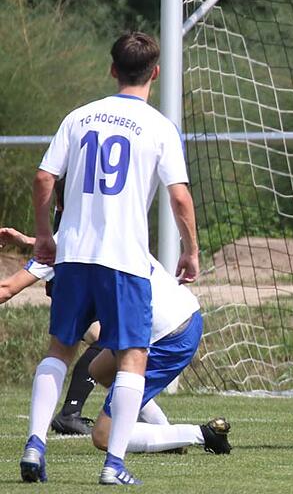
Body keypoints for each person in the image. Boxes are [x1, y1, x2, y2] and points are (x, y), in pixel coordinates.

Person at [21, 31, 200, 485]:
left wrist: (45, 235)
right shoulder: (159, 126)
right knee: (133, 356)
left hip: (76, 254)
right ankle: (114, 464)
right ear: (155, 73)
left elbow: (44, 179)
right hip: (125, 259)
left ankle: (35, 444)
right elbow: (179, 198)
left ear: (112, 68)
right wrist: (190, 250)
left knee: (59, 349)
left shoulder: (79, 117)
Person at [3, 228, 231, 455]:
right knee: (99, 370)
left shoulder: (70, 241)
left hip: (166, 337)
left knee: (103, 436)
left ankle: (204, 434)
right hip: (182, 314)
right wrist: (29, 242)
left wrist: (33, 245)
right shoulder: (110, 225)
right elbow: (66, 245)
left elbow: (7, 289)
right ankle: (167, 435)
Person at [1, 226, 101, 436]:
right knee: (115, 348)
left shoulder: (74, 229)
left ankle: (70, 414)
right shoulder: (73, 234)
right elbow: (7, 289)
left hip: (82, 300)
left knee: (113, 348)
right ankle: (68, 414)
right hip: (78, 300)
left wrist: (28, 241)